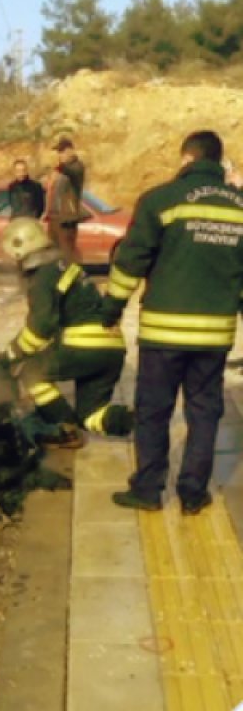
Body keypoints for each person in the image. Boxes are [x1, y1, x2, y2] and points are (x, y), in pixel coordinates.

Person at [103, 131, 243, 515]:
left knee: (153, 411)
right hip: (215, 336)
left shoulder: (161, 200)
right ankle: (193, 495)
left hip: (163, 334)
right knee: (204, 412)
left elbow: (132, 260)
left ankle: (148, 491)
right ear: (220, 162)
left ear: (186, 159)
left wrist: (112, 308)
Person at [0, 218, 133, 448]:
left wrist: (10, 355)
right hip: (112, 347)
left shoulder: (42, 277)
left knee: (31, 374)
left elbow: (41, 326)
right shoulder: (62, 265)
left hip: (85, 346)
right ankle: (144, 420)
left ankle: (66, 429)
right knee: (91, 417)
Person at [45, 138, 89, 263]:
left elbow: (69, 171)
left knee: (68, 254)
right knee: (54, 255)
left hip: (66, 218)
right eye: (59, 152)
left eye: (62, 151)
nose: (60, 155)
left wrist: (59, 167)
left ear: (70, 151)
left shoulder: (76, 167)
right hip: (54, 218)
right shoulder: (59, 170)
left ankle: (72, 280)